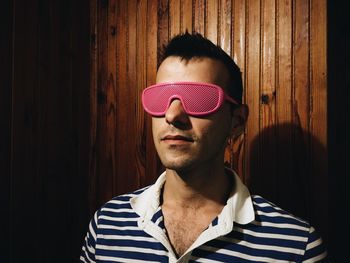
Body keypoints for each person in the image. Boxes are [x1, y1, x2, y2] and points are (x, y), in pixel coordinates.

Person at [80, 32, 328, 262]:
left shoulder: (296, 247)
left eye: (199, 99)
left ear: (237, 121)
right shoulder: (106, 227)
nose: (172, 115)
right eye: (159, 97)